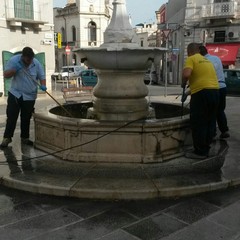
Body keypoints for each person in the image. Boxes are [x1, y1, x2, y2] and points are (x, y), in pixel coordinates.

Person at [1, 47, 47, 147]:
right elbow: (5, 75)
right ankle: (7, 138)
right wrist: (14, 70)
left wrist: (43, 85)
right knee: (12, 117)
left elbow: (42, 76)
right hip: (15, 93)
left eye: (30, 60)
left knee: (26, 118)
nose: (29, 62)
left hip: (30, 96)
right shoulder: (14, 61)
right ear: (23, 57)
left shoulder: (36, 63)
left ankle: (25, 138)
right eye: (27, 60)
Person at [182, 43, 219, 159]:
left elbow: (187, 73)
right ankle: (207, 148)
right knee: (210, 120)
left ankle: (200, 152)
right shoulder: (207, 60)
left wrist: (183, 82)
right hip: (215, 92)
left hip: (201, 93)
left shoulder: (191, 59)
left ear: (189, 52)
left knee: (198, 122)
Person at [199, 45, 230, 139]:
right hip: (223, 86)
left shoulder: (203, 61)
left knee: (211, 112)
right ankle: (224, 131)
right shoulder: (216, 58)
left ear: (199, 53)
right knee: (220, 110)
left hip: (213, 88)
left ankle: (211, 134)